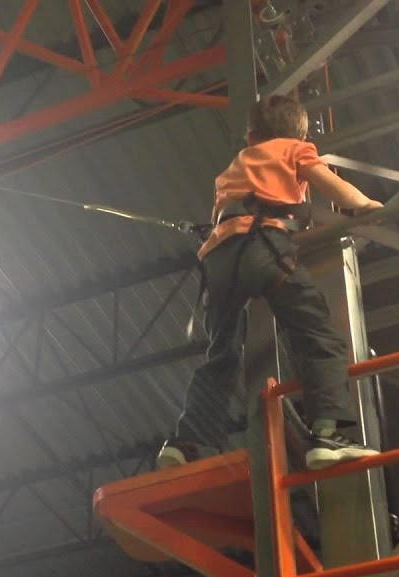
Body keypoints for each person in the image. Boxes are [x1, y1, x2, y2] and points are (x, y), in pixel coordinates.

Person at [158, 94, 382, 471]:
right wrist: (365, 205)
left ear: (251, 136)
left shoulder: (237, 163)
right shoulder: (294, 149)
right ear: (300, 135)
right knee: (318, 335)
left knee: (221, 353)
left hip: (218, 260)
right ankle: (327, 433)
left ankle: (187, 440)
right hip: (263, 248)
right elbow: (329, 184)